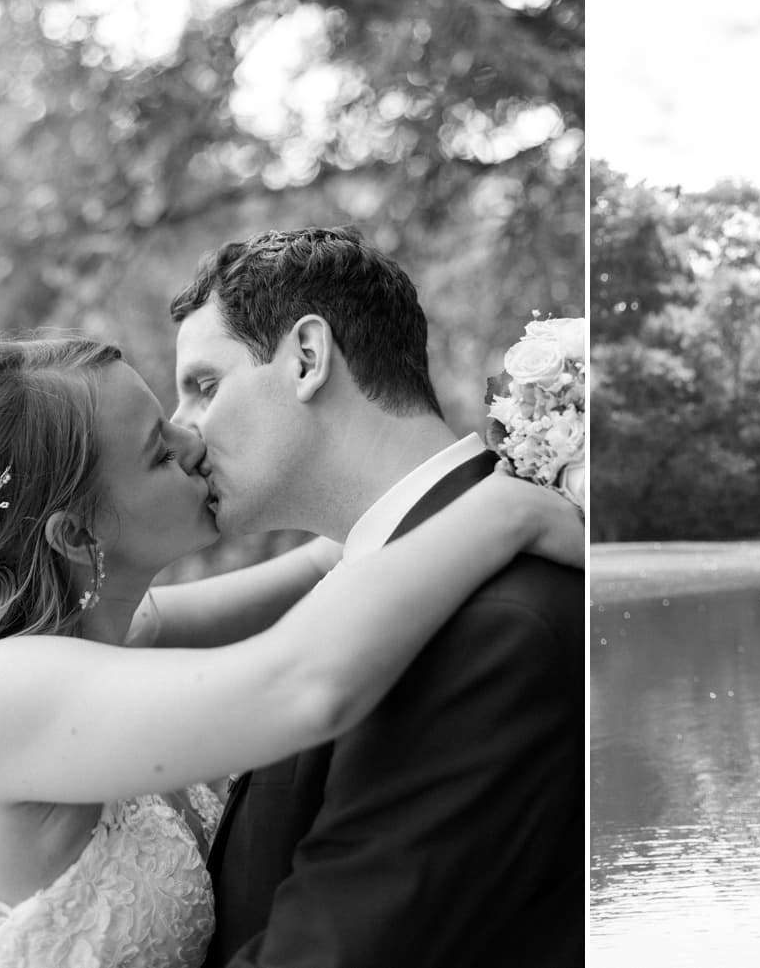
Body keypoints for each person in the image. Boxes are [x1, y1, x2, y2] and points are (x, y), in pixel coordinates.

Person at [0, 334, 583, 968]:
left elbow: (330, 563)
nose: (192, 439)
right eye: (156, 450)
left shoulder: (102, 635)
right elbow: (305, 684)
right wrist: (510, 510)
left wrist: (544, 449)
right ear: (76, 535)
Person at [167, 227, 584, 968]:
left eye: (204, 385)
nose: (184, 436)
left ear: (306, 357)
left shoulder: (493, 629)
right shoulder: (373, 573)